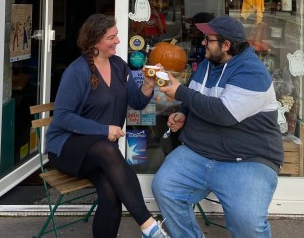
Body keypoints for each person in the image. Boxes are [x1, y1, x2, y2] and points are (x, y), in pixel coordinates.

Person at [152, 15, 284, 238]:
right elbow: (196, 98)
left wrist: (180, 92)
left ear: (226, 45)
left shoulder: (253, 73)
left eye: (208, 39)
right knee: (165, 188)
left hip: (247, 159)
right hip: (199, 152)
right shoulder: (207, 65)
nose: (202, 43)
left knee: (248, 224)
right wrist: (184, 112)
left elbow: (223, 113)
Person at [45, 14, 169, 238]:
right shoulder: (77, 71)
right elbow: (62, 117)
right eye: (112, 37)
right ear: (95, 41)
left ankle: (148, 227)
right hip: (66, 148)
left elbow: (137, 102)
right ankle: (149, 225)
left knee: (111, 195)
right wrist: (104, 130)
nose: (118, 41)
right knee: (107, 149)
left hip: (101, 153)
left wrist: (149, 86)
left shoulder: (119, 66)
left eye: (117, 35)